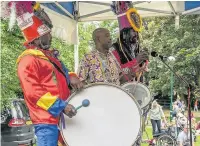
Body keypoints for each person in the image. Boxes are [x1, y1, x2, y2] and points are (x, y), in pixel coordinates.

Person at [5, 2, 83, 146]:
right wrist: (61, 106)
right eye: (47, 33)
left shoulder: (49, 56)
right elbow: (34, 93)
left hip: (61, 117)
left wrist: (71, 76)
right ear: (37, 37)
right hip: (46, 122)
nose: (50, 36)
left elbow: (60, 74)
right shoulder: (28, 60)